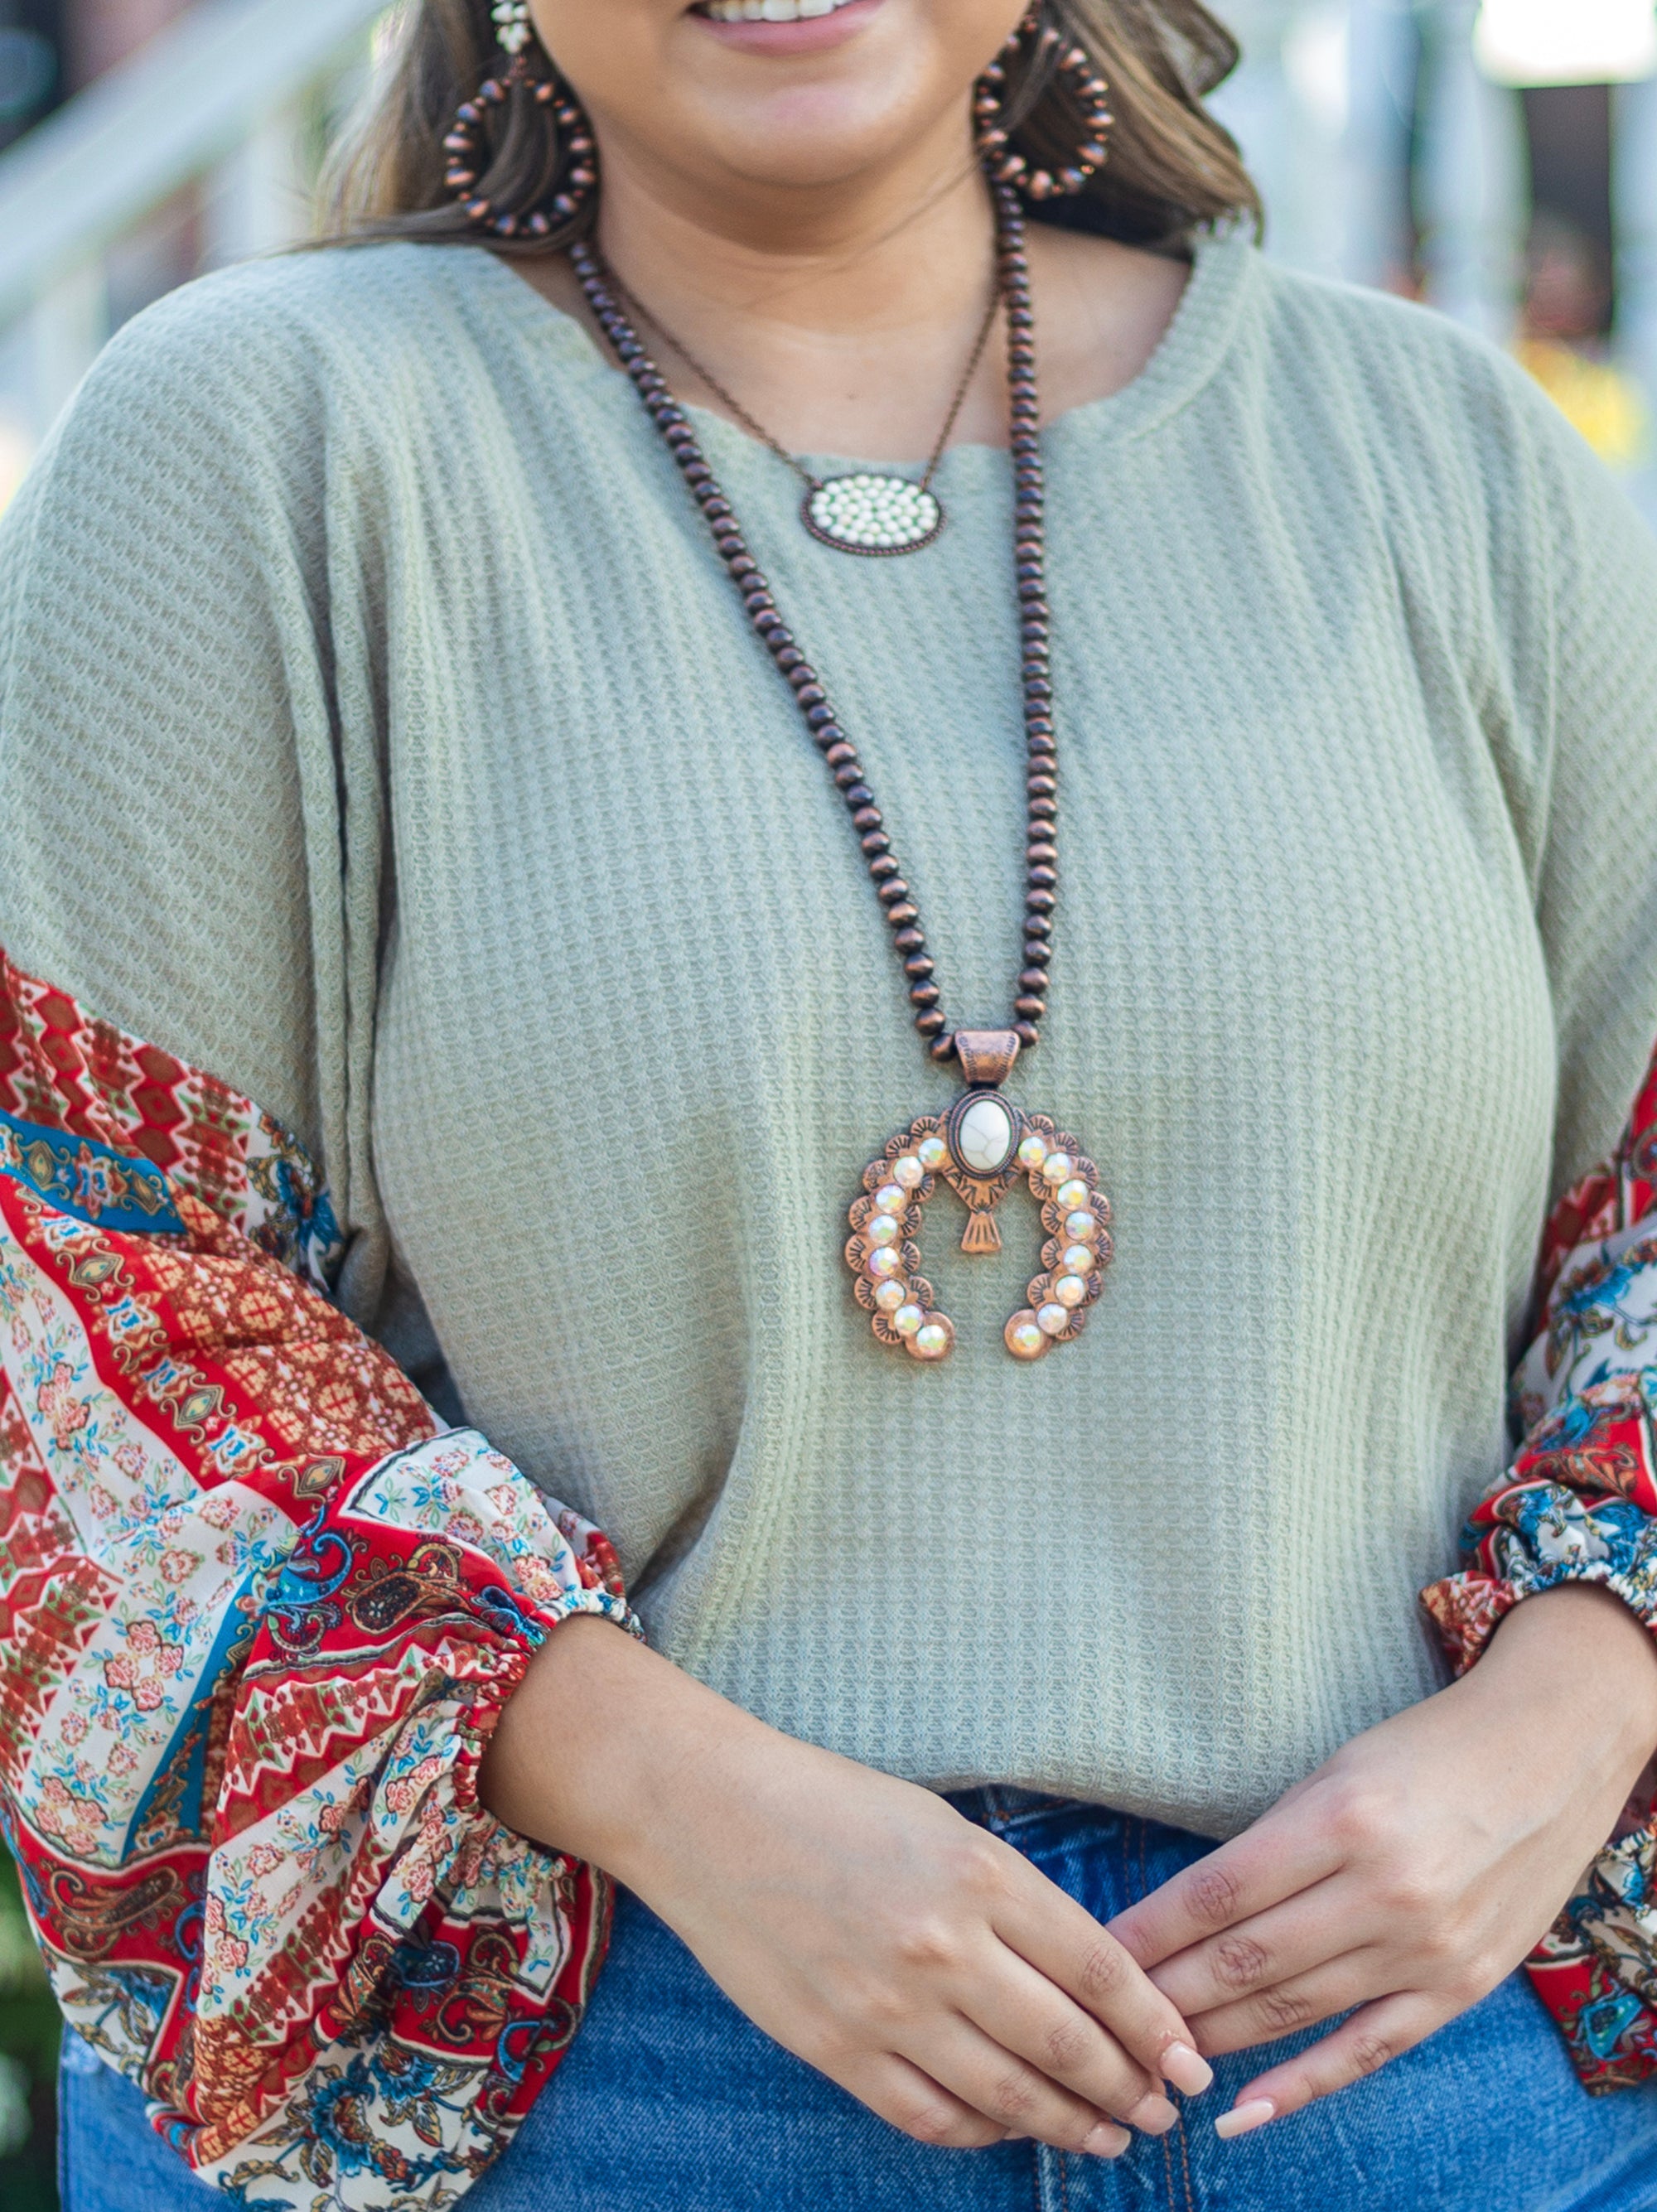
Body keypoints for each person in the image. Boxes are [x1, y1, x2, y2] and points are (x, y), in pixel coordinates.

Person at [5, 2, 1657, 2206]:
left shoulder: (1459, 463)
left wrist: (1564, 1720)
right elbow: (86, 1291)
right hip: (597, 2091)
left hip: (1421, 2095)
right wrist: (689, 1802)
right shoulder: (266, 444)